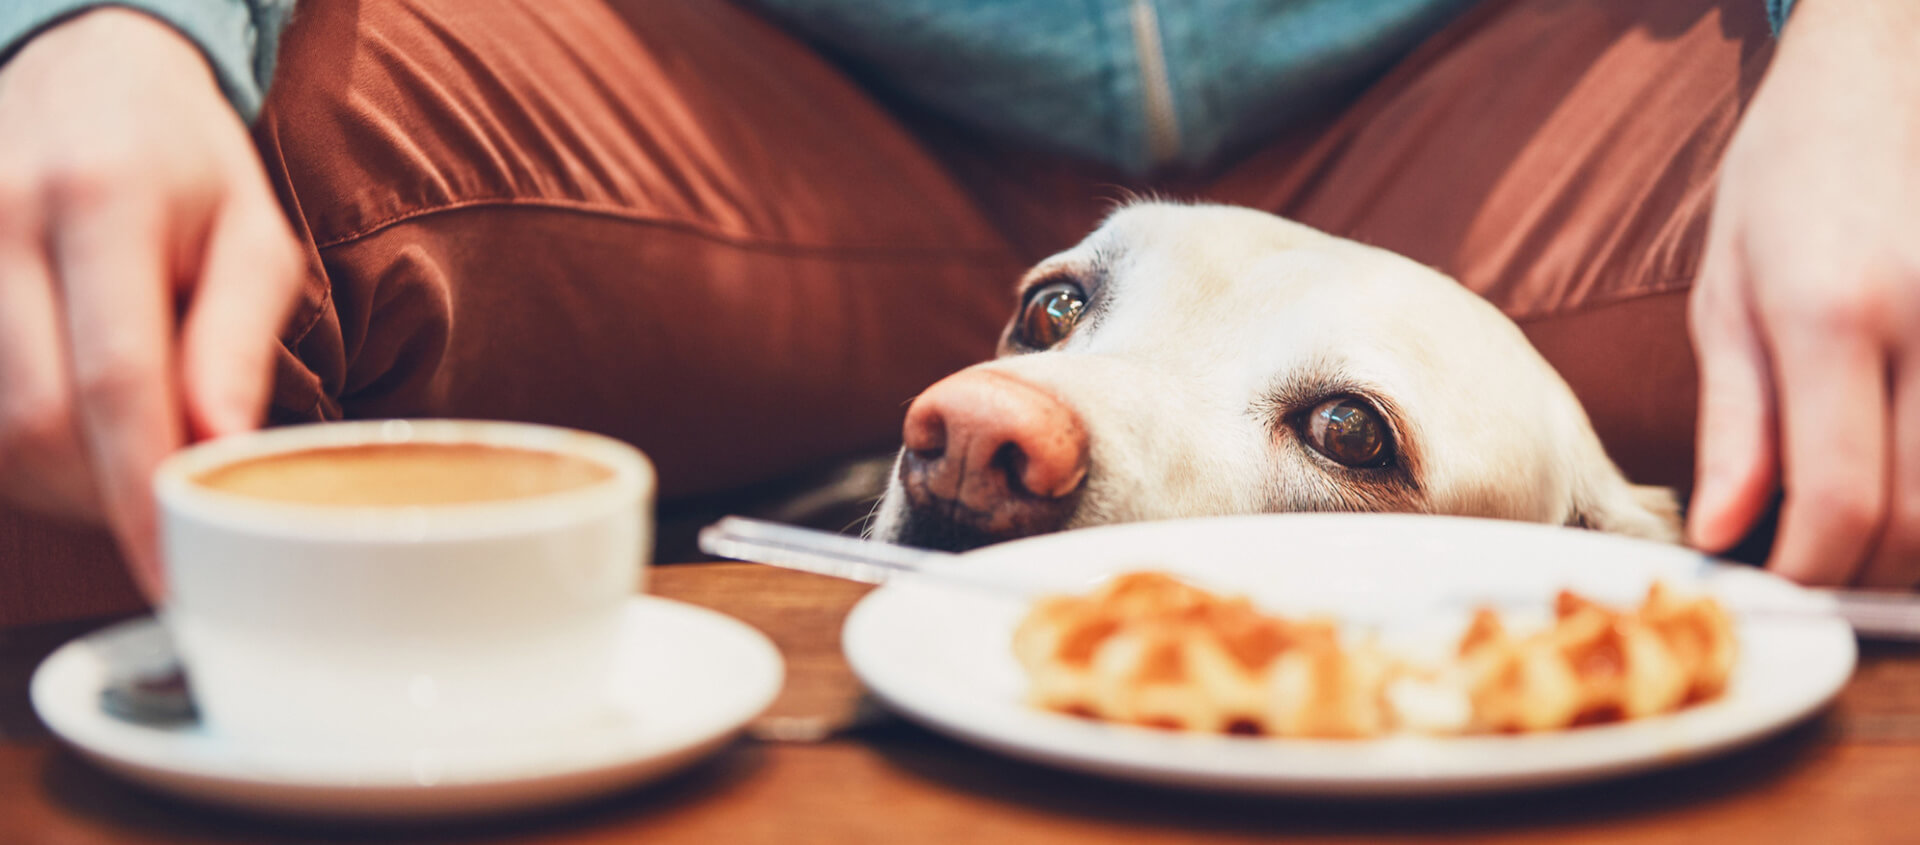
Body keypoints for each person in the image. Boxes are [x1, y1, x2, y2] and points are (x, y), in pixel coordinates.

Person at [0, 0, 1913, 626]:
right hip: (738, 82)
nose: (998, 412)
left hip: (1508, 79)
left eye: (1346, 431)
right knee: (135, 246)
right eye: (1054, 325)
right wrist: (92, 27)